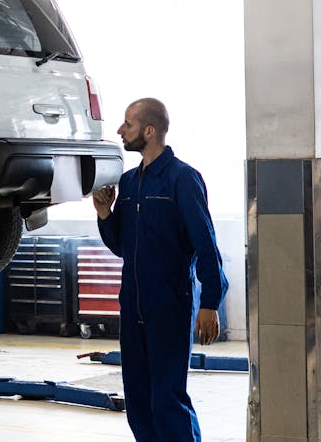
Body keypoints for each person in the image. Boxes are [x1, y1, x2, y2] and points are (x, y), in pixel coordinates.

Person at [92, 97, 228, 442]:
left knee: (167, 398)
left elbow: (206, 243)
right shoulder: (129, 183)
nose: (121, 130)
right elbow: (122, 247)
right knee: (138, 399)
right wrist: (105, 214)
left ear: (148, 131)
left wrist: (210, 301)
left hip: (169, 306)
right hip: (134, 305)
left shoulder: (182, 179)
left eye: (128, 124)